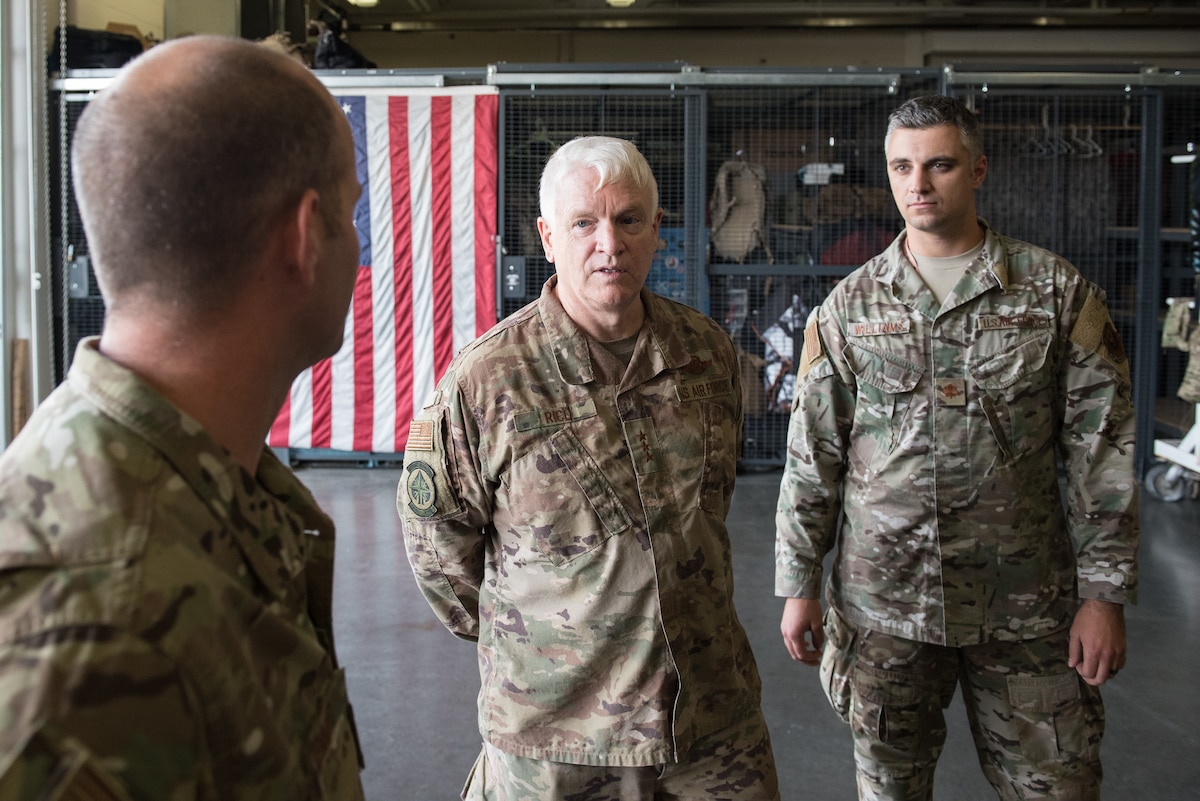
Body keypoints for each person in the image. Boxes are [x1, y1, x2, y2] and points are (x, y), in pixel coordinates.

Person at [0, 36, 365, 800]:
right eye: (352, 210)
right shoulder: (92, 626)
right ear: (304, 236)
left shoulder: (215, 488)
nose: (358, 248)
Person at [775, 94, 1139, 801]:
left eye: (939, 164)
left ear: (978, 169)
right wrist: (797, 583)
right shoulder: (850, 308)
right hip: (886, 607)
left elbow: (1104, 454)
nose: (919, 184)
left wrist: (1105, 594)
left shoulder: (1055, 294)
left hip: (1025, 608)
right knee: (890, 786)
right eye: (902, 166)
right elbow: (812, 455)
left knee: (1055, 785)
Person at [399, 136, 780, 801]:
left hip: (709, 724)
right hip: (556, 737)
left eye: (629, 219)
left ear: (657, 231)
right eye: (584, 223)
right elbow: (440, 551)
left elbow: (710, 508)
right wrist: (544, 640)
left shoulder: (705, 354)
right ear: (548, 237)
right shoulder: (487, 381)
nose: (610, 242)